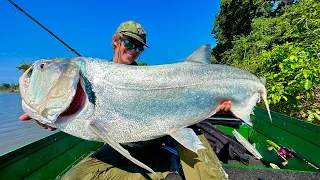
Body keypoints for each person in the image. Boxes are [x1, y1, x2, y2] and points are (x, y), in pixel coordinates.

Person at [19, 20, 231, 180]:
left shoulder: (149, 76)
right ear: (116, 40)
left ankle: (162, 164)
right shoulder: (94, 74)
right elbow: (80, 112)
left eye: (139, 47)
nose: (134, 51)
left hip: (160, 138)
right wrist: (54, 118)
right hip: (123, 145)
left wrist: (214, 105)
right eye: (129, 43)